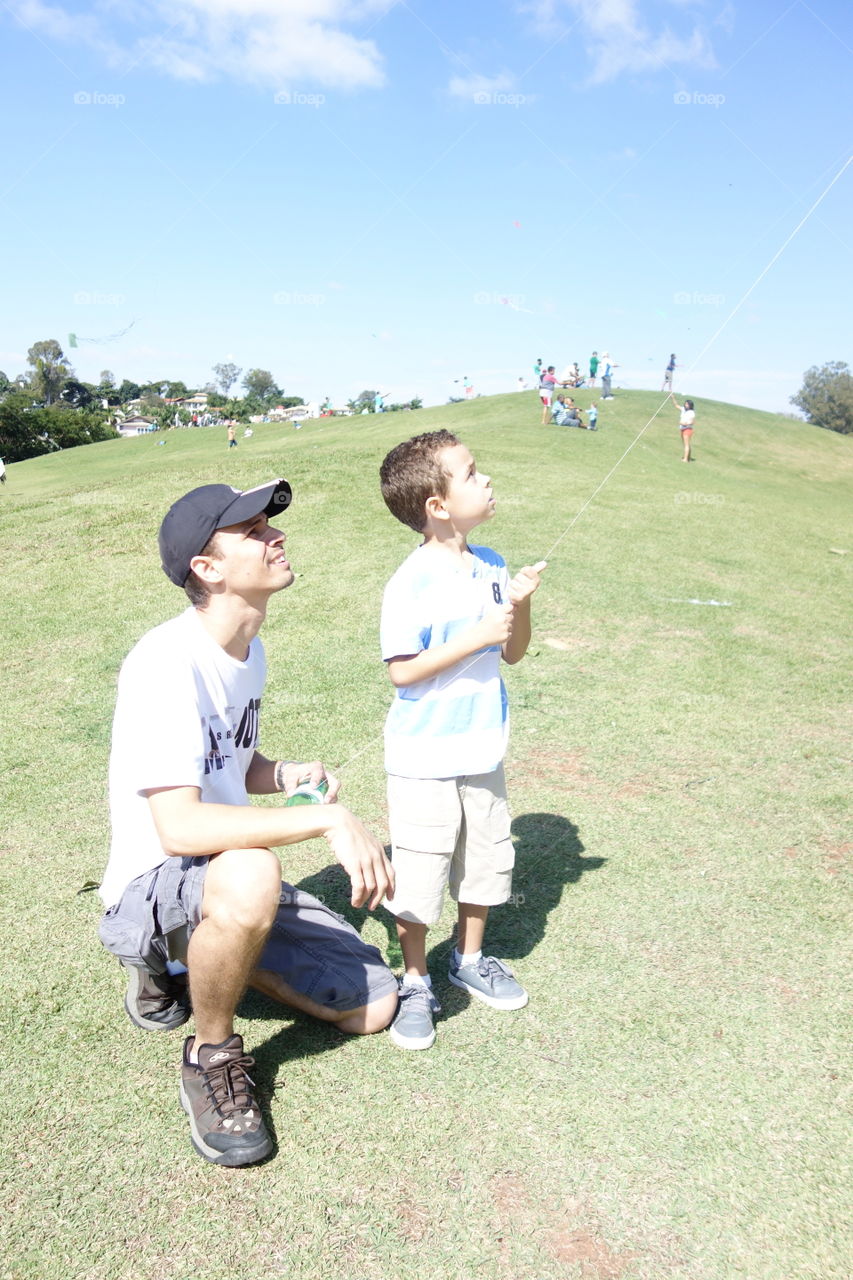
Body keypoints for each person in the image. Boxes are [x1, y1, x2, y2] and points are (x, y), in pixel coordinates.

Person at [98, 479, 398, 1166]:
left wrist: (284, 774)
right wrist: (327, 819)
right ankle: (209, 1054)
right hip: (155, 881)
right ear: (207, 567)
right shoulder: (165, 662)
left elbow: (228, 758)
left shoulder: (246, 650)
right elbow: (177, 828)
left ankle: (191, 958)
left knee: (371, 1007)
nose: (276, 536)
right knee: (253, 869)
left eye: (270, 525)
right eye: (253, 531)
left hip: (220, 878)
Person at [378, 430, 544, 1050]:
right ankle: (416, 978)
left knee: (485, 860)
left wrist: (519, 606)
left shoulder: (493, 565)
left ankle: (468, 960)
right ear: (437, 505)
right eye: (471, 474)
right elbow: (402, 669)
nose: (487, 480)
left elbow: (514, 652)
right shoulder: (411, 581)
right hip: (423, 757)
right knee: (419, 872)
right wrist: (475, 635)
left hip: (482, 748)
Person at [671, 395, 695, 461]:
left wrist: (685, 423)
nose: (685, 404)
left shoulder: (691, 412)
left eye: (687, 404)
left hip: (687, 429)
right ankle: (688, 458)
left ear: (690, 405)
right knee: (686, 444)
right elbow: (676, 405)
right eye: (685, 403)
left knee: (686, 444)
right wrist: (673, 398)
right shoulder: (683, 409)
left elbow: (692, 422)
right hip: (682, 429)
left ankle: (685, 459)